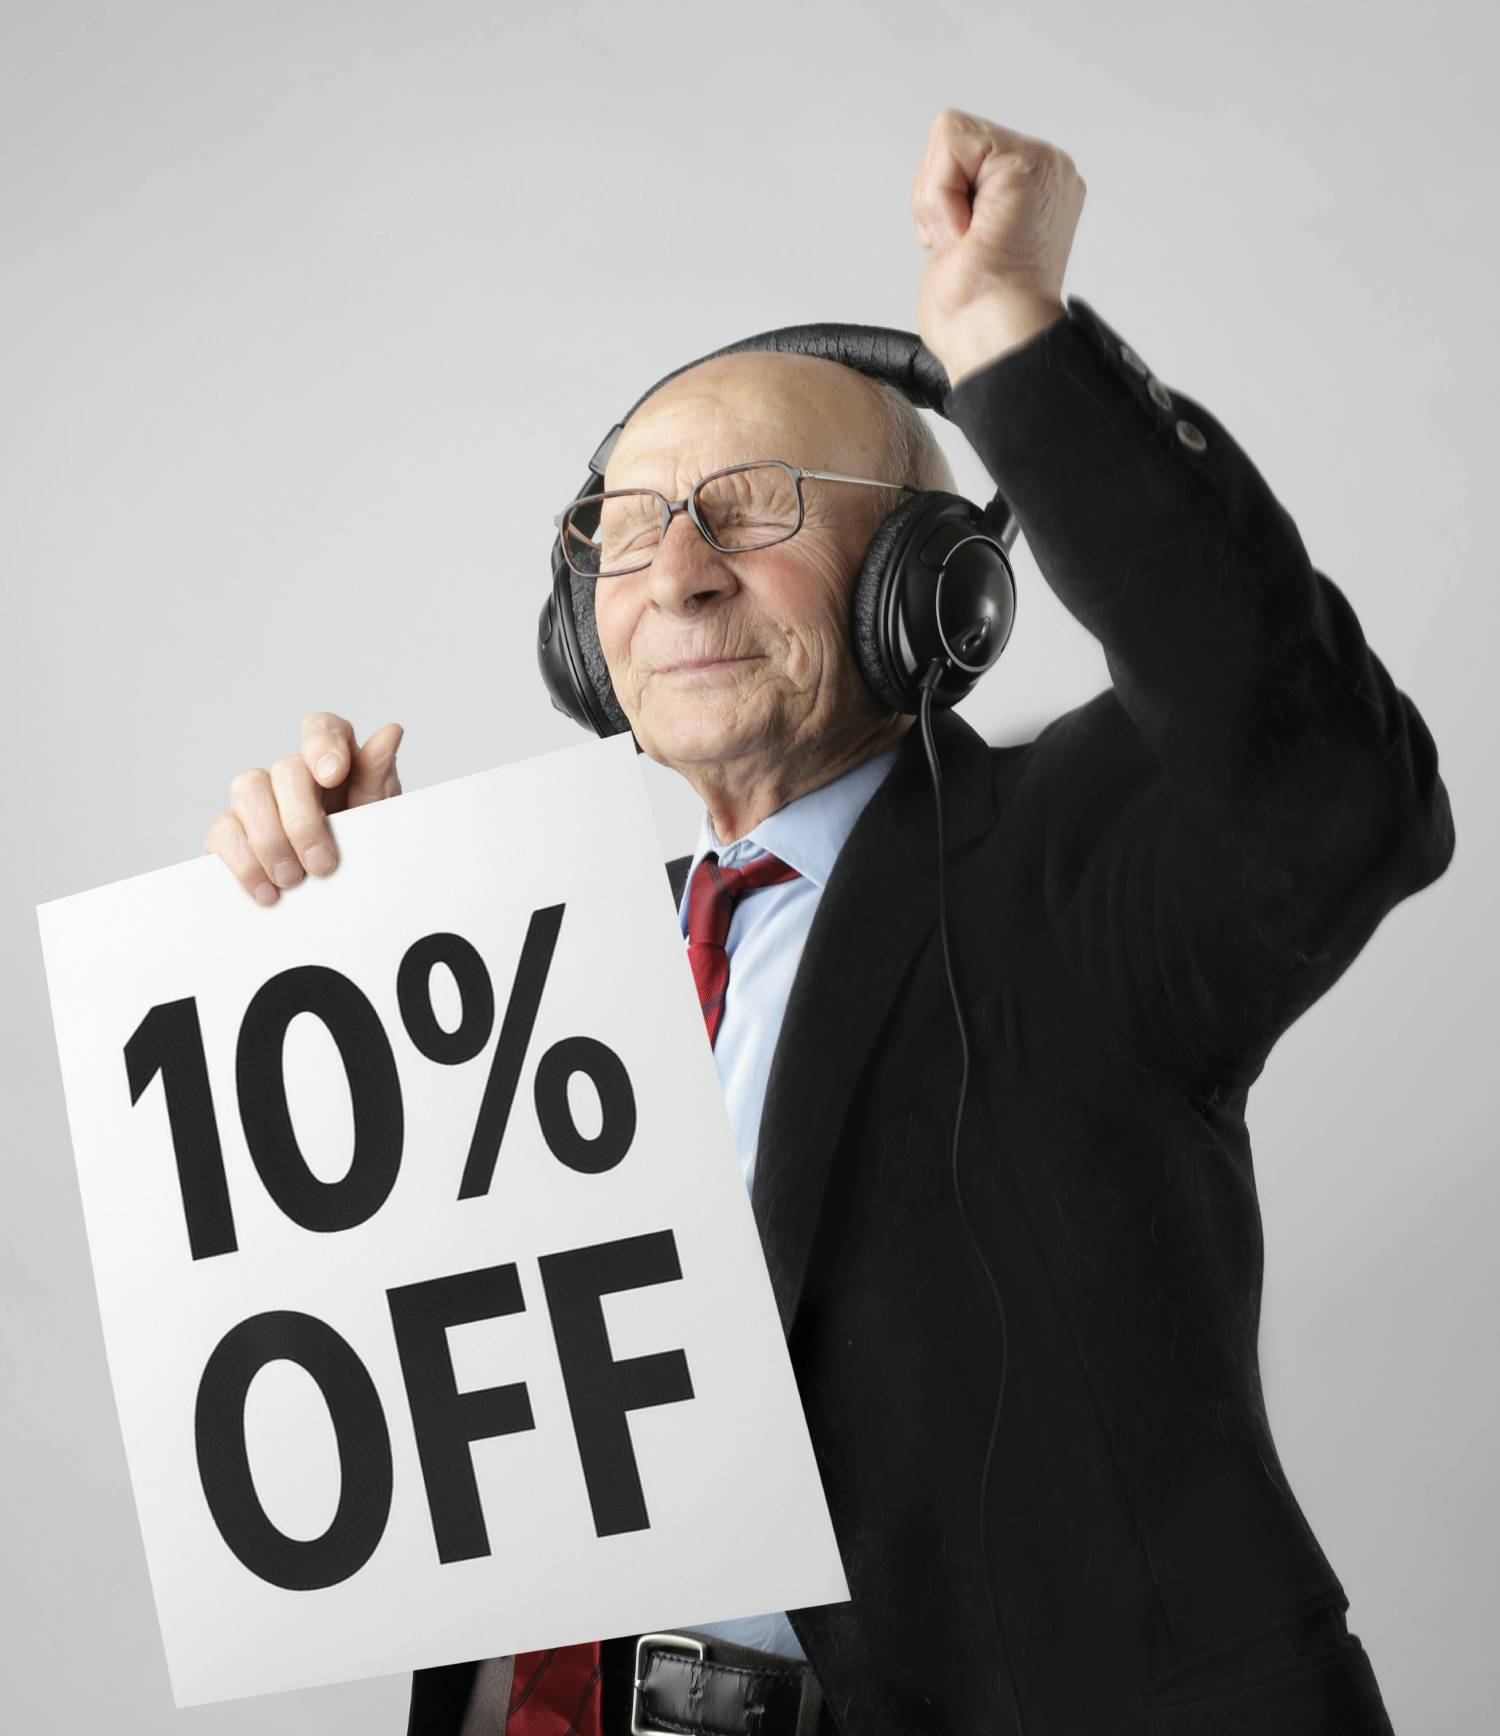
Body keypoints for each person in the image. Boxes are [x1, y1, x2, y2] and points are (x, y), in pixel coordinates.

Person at [204, 110, 1455, 1736]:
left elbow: (1334, 789)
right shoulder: (543, 975)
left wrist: (1016, 334)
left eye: (758, 504)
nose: (680, 572)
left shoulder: (1080, 870)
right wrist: (343, 961)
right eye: (630, 526)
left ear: (931, 586)